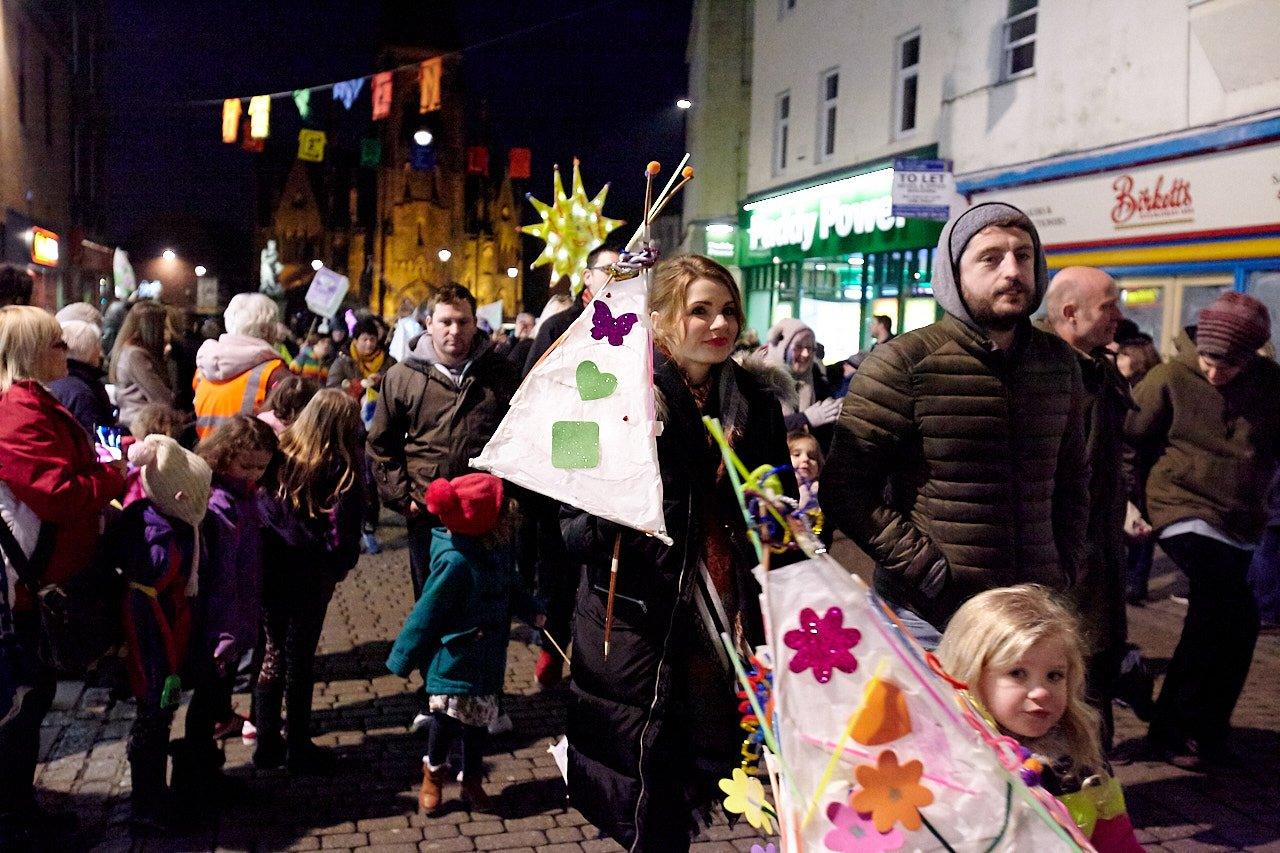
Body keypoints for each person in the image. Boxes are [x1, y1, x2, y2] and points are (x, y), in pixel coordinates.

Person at [560, 255, 792, 850]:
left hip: (727, 618)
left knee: (705, 770)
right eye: (700, 311)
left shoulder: (758, 404)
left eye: (728, 311)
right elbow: (571, 525)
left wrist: (776, 519)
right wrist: (617, 510)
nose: (719, 324)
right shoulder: (609, 391)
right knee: (648, 788)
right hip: (639, 618)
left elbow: (779, 507)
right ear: (661, 320)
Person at [824, 202, 1089, 648]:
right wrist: (924, 569)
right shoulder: (903, 363)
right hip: (931, 616)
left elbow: (1073, 477)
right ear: (953, 273)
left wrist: (1064, 564)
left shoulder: (1058, 363)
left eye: (1023, 256)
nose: (1012, 271)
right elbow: (846, 488)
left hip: (1031, 614)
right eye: (991, 258)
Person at [1125, 291, 1280, 764]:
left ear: (1252, 355)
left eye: (1228, 365)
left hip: (1238, 516)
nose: (1214, 372)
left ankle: (1193, 727)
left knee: (1234, 620)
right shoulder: (1168, 377)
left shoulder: (1271, 384)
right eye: (1209, 360)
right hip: (1178, 505)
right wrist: (1129, 502)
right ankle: (1182, 729)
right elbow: (1129, 442)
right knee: (1223, 602)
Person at [0, 306, 126, 849]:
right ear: (29, 353)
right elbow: (59, 493)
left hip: (42, 581)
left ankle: (18, 804)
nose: (66, 352)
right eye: (56, 343)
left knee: (32, 701)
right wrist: (113, 475)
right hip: (24, 589)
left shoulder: (39, 401)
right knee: (20, 706)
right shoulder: (17, 412)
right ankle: (12, 814)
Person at [936, 585, 1143, 852]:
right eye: (1017, 673)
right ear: (972, 674)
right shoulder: (950, 762)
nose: (1042, 692)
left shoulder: (1078, 759)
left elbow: (1117, 841)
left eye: (1055, 676)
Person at [386, 474, 542, 814]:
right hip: (454, 659)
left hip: (486, 660)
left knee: (477, 726)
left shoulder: (497, 549)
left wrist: (533, 611)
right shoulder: (455, 561)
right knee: (444, 723)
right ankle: (433, 773)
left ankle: (471, 780)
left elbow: (513, 587)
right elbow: (426, 613)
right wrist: (402, 656)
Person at [368, 283, 520, 599]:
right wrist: (401, 498)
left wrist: (510, 495)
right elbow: (382, 443)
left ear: (475, 322)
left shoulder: (499, 372)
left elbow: (517, 436)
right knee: (431, 599)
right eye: (445, 321)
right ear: (429, 324)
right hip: (427, 507)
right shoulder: (403, 376)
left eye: (463, 321)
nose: (455, 330)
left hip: (485, 507)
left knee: (483, 600)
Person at [254, 390, 364, 774]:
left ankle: (266, 742)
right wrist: (338, 567)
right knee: (300, 659)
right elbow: (345, 532)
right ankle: (298, 744)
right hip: (311, 576)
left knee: (271, 653)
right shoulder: (342, 467)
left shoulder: (280, 454)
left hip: (271, 569)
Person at [1042, 266, 1129, 748]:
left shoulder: (1099, 368)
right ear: (1070, 314)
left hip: (1100, 547)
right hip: (1061, 555)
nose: (1119, 315)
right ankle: (1074, 775)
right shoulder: (1041, 372)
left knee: (1096, 661)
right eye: (1109, 306)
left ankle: (1095, 773)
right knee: (1064, 665)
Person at [173, 417, 277, 796]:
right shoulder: (218, 502)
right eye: (245, 465)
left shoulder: (243, 495)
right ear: (223, 455)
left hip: (234, 618)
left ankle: (205, 773)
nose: (253, 473)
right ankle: (196, 779)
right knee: (205, 704)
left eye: (260, 467)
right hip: (219, 624)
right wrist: (224, 632)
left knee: (215, 700)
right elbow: (219, 579)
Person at [118, 435, 212, 835]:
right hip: (153, 636)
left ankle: (153, 797)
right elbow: (154, 584)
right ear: (179, 495)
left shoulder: (171, 520)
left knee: (158, 717)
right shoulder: (159, 537)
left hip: (167, 628)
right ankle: (146, 804)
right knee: (152, 719)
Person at [328, 316, 395, 553]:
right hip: (349, 428)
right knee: (348, 477)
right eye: (364, 339)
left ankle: (369, 523)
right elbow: (331, 390)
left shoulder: (388, 362)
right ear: (355, 340)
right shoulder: (343, 362)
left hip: (377, 429)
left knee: (371, 477)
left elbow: (397, 388)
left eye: (372, 339)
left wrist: (380, 383)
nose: (369, 344)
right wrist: (353, 386)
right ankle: (348, 526)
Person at [193, 293, 288, 440]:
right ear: (266, 329)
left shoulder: (203, 367)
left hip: (206, 454)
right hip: (252, 459)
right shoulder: (274, 373)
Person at [523, 246, 621, 374]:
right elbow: (531, 380)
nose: (616, 278)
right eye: (609, 270)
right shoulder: (558, 326)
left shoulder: (629, 323)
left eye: (621, 272)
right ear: (587, 276)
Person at [759, 318, 842, 442]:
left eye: (810, 348)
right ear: (782, 348)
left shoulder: (816, 380)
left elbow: (825, 431)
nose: (805, 354)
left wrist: (837, 411)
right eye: (798, 347)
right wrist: (804, 418)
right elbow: (761, 428)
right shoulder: (760, 379)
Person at [109, 302, 175, 433]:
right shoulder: (135, 355)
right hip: (140, 428)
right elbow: (162, 398)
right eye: (164, 327)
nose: (168, 333)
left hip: (136, 424)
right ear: (153, 328)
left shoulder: (127, 350)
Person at [49, 318, 115, 436]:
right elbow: (97, 438)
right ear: (92, 350)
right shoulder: (83, 391)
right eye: (98, 345)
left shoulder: (54, 380)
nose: (100, 351)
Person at [788, 429, 823, 512]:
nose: (806, 459)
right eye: (796, 454)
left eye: (812, 457)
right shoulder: (774, 488)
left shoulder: (820, 491)